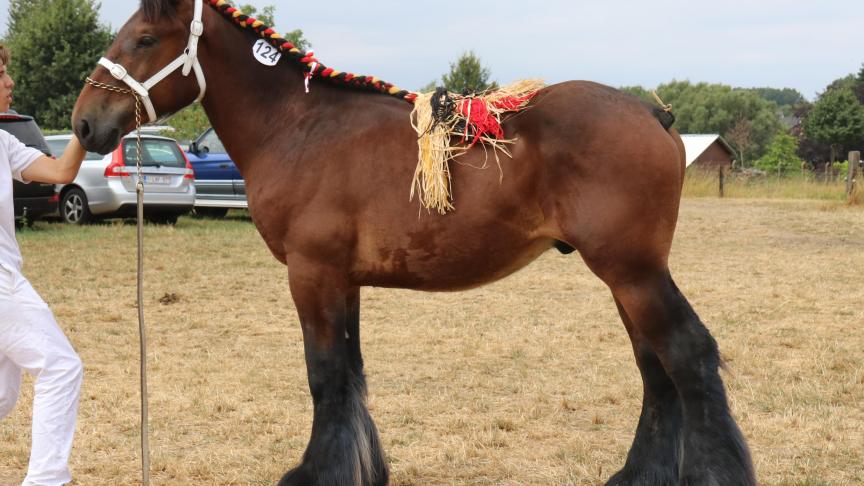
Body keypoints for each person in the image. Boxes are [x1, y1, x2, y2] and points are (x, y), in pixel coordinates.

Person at [0, 43, 88, 485]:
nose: (10, 82)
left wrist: (88, 125)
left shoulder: (2, 142)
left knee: (1, 396)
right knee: (61, 367)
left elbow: (60, 172)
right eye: (0, 74)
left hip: (9, 278)